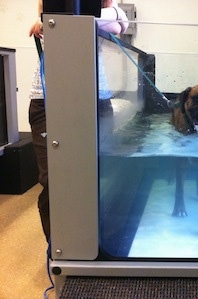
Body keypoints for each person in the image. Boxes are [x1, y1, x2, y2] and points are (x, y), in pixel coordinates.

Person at [28, 0, 128, 242]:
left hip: (97, 99)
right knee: (53, 179)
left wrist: (104, 14)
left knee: (100, 172)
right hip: (48, 101)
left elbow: (120, 24)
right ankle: (59, 249)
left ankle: (96, 243)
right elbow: (57, 23)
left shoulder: (105, 9)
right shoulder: (51, 9)